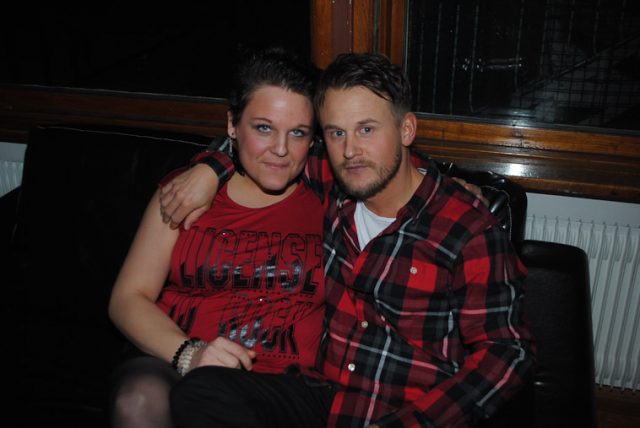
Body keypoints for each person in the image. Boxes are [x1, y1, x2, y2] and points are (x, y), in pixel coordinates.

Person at [165, 53, 533, 427]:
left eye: (366, 130)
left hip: (406, 411)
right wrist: (211, 169)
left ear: (406, 130)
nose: (350, 150)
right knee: (201, 390)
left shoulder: (467, 228)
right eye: (336, 133)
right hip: (324, 399)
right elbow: (262, 149)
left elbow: (507, 353)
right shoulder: (332, 185)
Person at [107, 46, 332, 428]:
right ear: (232, 125)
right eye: (263, 128)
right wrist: (190, 354)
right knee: (138, 400)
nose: (280, 150)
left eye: (297, 133)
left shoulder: (331, 202)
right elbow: (127, 298)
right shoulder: (184, 194)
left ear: (313, 140)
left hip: (285, 384)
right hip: (179, 361)